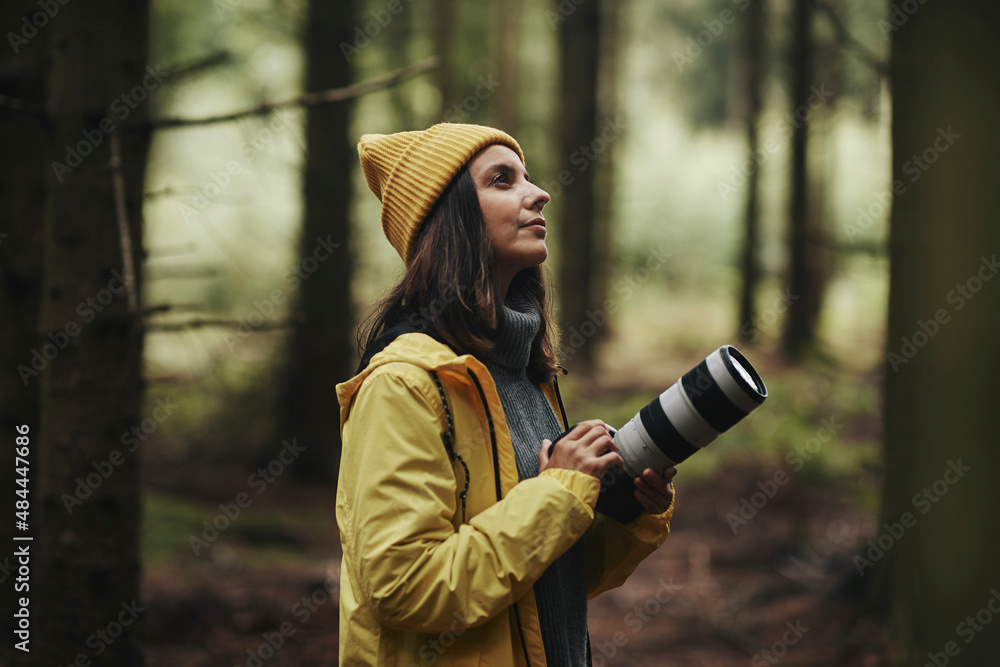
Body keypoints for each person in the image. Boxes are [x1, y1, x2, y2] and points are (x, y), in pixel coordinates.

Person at [336, 122, 677, 666]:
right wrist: (557, 495)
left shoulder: (528, 374)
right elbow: (404, 586)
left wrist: (624, 514)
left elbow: (548, 576)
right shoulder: (404, 385)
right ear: (449, 220)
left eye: (527, 176)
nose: (539, 192)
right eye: (502, 179)